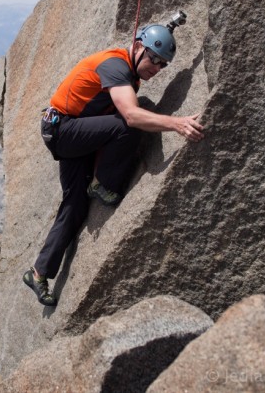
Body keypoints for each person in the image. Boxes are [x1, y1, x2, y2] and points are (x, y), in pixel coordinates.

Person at [23, 19, 204, 306]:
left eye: (163, 65)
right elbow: (130, 117)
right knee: (128, 124)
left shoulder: (128, 72)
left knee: (75, 206)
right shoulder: (116, 67)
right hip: (63, 130)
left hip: (70, 130)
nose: (156, 68)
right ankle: (102, 183)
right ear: (137, 48)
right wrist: (176, 124)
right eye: (154, 59)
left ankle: (39, 272)